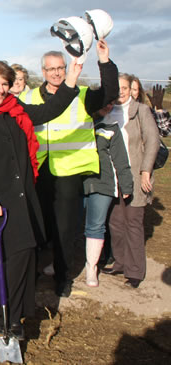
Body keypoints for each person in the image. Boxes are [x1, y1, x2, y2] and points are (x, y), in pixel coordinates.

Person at [0, 58, 82, 339]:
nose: (1, 90)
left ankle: (13, 315)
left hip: (23, 195)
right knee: (13, 256)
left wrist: (71, 80)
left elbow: (49, 110)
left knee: (25, 255)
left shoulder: (15, 109)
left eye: (5, 84)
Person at [19, 39, 119, 297]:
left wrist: (105, 62)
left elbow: (109, 94)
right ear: (42, 72)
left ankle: (62, 278)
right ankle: (30, 275)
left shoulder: (82, 94)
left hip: (68, 174)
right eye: (51, 69)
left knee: (64, 230)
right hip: (37, 173)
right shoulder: (26, 97)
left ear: (66, 69)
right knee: (36, 227)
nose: (56, 73)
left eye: (60, 68)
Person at [103, 74, 159, 289]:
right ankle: (120, 262)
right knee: (116, 223)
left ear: (130, 89)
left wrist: (146, 171)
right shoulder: (107, 111)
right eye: (117, 89)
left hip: (135, 175)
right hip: (113, 176)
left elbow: (152, 140)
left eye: (124, 88)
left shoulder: (141, 111)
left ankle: (135, 270)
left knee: (133, 222)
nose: (121, 92)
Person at [83, 101, 133, 287]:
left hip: (103, 183)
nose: (108, 107)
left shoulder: (111, 127)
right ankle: (60, 263)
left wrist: (126, 185)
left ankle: (91, 268)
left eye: (112, 104)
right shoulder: (79, 123)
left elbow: (121, 158)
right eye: (105, 102)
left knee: (96, 226)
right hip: (77, 181)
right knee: (69, 224)